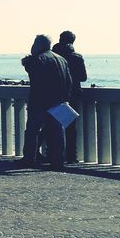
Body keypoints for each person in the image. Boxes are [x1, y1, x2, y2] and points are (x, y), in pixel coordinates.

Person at [20, 34, 73, 168]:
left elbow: (36, 83)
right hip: (59, 101)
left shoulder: (39, 59)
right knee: (57, 132)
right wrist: (65, 99)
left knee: (32, 131)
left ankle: (29, 158)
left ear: (38, 45)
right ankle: (58, 160)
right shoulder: (62, 59)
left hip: (41, 102)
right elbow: (69, 82)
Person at [51, 31, 88, 163]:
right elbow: (83, 77)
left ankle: (51, 154)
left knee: (50, 124)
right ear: (73, 41)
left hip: (54, 93)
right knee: (70, 126)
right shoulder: (76, 57)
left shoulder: (53, 56)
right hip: (72, 94)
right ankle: (71, 156)